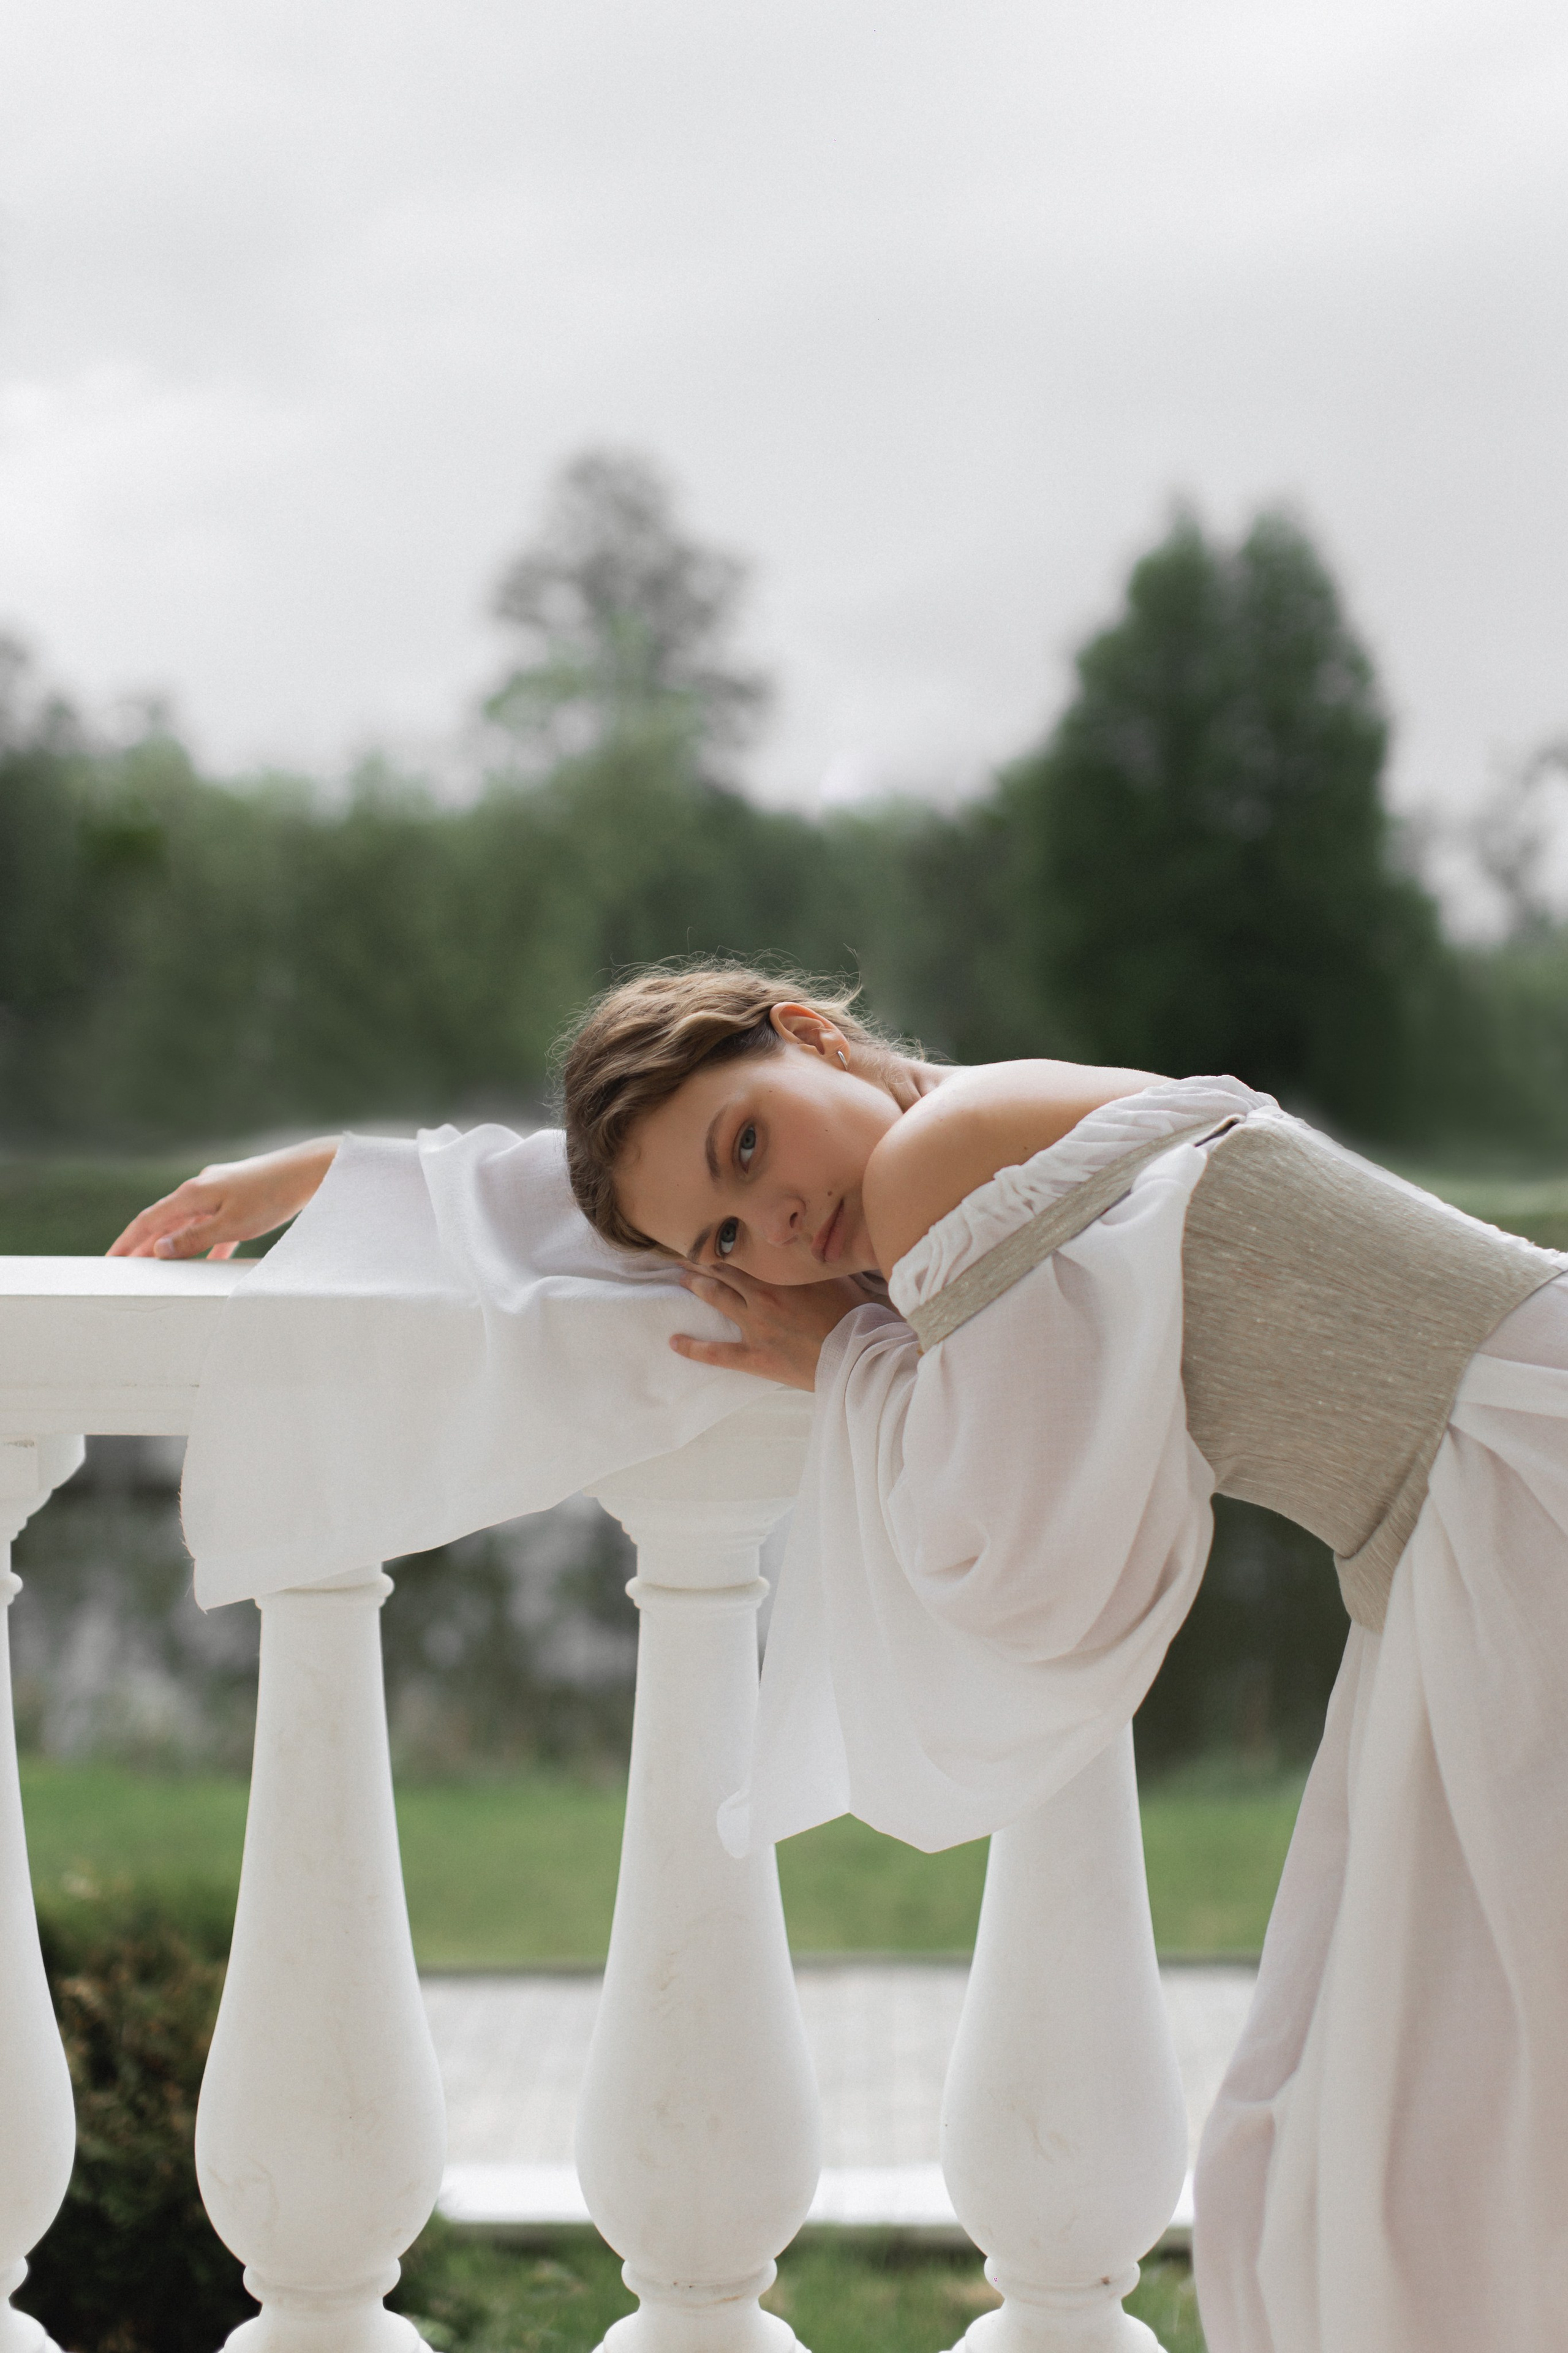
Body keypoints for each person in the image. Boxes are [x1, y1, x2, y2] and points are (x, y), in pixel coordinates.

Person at [111, 962, 1568, 2353]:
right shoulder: (951, 1136)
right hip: (1461, 1530)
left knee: (1375, 2149)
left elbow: (1023, 1564)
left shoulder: (938, 1154)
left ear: (808, 1031)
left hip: (1516, 1487)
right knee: (1371, 2142)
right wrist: (322, 1174)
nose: (774, 1228)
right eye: (721, 1246)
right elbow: (624, 1194)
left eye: (749, 1149)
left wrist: (845, 1364)